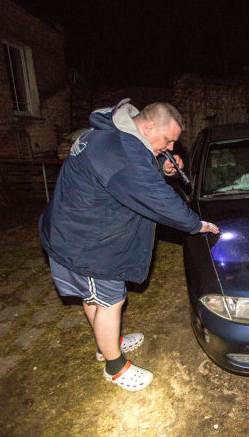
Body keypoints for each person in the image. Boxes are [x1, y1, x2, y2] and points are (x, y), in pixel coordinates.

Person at [39, 99, 219, 391]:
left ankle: (107, 342)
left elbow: (131, 174)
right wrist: (195, 224)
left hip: (77, 232)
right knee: (111, 300)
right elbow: (154, 196)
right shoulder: (120, 151)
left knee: (94, 296)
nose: (171, 148)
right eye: (168, 140)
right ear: (149, 126)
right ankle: (114, 366)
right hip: (83, 243)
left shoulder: (115, 133)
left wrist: (162, 166)